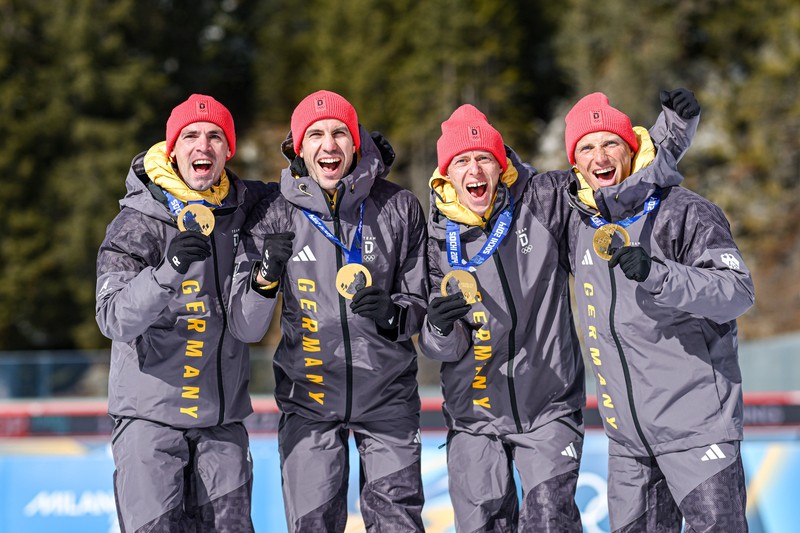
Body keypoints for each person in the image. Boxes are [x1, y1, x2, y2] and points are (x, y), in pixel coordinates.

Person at [418, 91, 698, 532]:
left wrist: (673, 131)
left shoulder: (542, 200)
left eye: (484, 159)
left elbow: (612, 180)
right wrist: (437, 326)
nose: (474, 171)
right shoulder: (435, 237)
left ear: (501, 165)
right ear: (445, 176)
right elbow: (440, 347)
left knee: (551, 521)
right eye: (461, 162)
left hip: (548, 408)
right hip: (474, 415)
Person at [227, 90, 428, 532]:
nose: (329, 144)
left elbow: (420, 303)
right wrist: (264, 277)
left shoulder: (398, 206)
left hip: (387, 399)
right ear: (299, 147)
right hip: (309, 399)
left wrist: (394, 317)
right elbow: (245, 324)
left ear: (356, 143)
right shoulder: (274, 214)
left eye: (339, 132)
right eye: (315, 134)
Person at [564, 90, 753, 532]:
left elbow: (737, 291)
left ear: (632, 149)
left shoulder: (685, 212)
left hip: (697, 430)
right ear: (576, 162)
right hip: (628, 444)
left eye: (610, 143)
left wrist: (659, 274)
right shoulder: (577, 221)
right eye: (586, 147)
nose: (600, 156)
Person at [96, 94, 276, 532]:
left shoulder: (244, 209)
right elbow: (113, 317)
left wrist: (266, 280)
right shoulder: (136, 221)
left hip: (221, 420)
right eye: (191, 135)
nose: (203, 146)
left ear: (228, 150)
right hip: (149, 421)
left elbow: (248, 326)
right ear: (172, 148)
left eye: (215, 136)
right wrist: (167, 272)